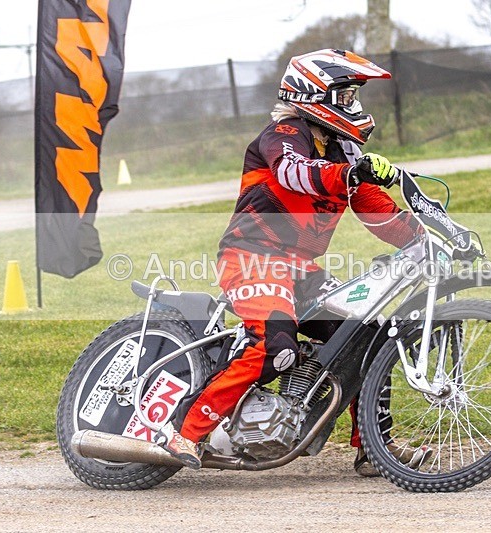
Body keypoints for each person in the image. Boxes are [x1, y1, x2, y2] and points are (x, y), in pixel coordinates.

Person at [156, 49, 428, 475]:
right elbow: (293, 171)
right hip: (252, 258)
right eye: (345, 96)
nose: (353, 104)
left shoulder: (341, 151)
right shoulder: (283, 134)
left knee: (365, 337)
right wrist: (350, 174)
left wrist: (427, 238)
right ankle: (184, 432)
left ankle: (374, 448)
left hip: (300, 270)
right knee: (274, 345)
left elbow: (376, 209)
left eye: (354, 97)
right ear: (312, 93)